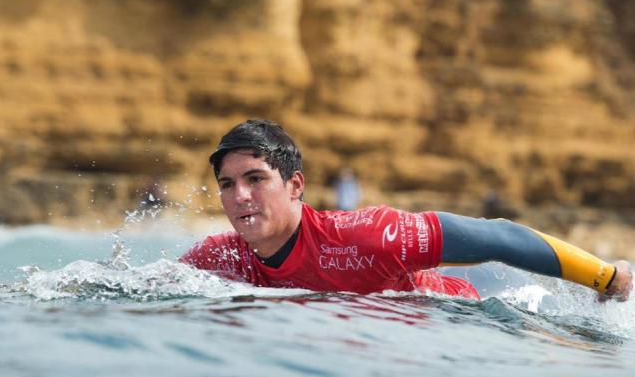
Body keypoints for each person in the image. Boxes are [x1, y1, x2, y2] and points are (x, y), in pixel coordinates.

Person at [179, 120, 633, 301]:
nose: (239, 196)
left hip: (454, 323)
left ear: (295, 186)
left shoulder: (368, 235)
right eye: (227, 184)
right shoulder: (220, 257)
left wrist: (605, 277)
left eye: (255, 179)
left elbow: (498, 238)